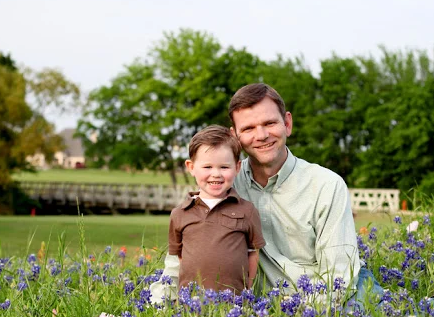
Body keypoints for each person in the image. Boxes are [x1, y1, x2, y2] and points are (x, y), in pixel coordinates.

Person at [151, 83, 383, 305]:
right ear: (235, 137)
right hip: (261, 304)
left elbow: (339, 278)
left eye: (270, 123)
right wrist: (159, 304)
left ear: (287, 123)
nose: (261, 135)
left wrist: (299, 314)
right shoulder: (223, 185)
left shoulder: (326, 185)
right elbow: (182, 256)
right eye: (248, 128)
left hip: (326, 296)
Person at [169, 125, 266, 293]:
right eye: (207, 167)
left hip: (233, 300)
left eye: (224, 167)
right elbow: (180, 257)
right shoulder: (180, 214)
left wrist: (247, 290)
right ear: (191, 167)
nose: (216, 174)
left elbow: (253, 253)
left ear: (237, 167)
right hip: (191, 301)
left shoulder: (247, 210)